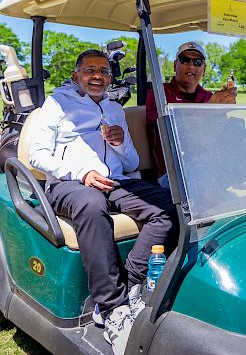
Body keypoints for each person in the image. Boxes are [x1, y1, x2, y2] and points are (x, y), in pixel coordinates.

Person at [30, 49, 179, 355]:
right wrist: (82, 172)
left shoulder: (114, 109)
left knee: (170, 206)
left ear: (111, 78)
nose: (97, 76)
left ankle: (132, 284)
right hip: (70, 183)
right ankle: (111, 308)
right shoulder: (57, 104)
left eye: (103, 71)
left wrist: (120, 142)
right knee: (92, 206)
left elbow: (131, 162)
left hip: (115, 182)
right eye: (89, 70)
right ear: (76, 76)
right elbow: (37, 155)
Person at [146, 41, 237, 187]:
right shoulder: (160, 94)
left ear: (204, 69)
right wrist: (209, 108)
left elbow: (222, 135)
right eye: (185, 60)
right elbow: (172, 133)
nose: (191, 66)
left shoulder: (207, 96)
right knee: (209, 185)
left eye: (197, 62)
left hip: (209, 166)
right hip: (173, 171)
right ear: (174, 65)